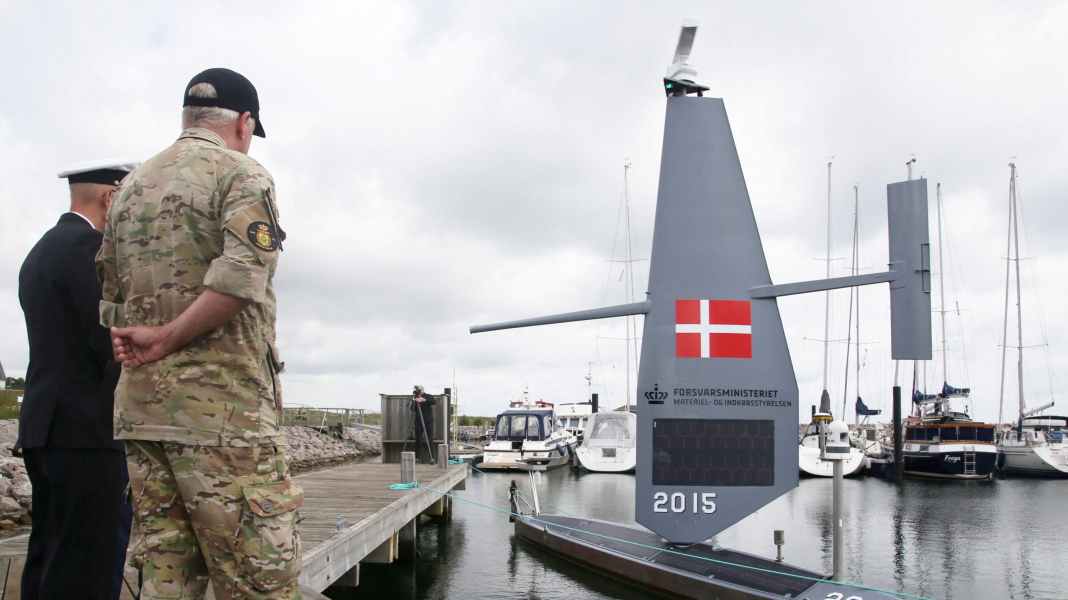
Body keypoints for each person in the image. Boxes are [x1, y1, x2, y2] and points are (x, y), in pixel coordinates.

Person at [96, 68, 302, 599]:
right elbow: (241, 277)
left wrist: (131, 336)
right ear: (245, 122)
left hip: (144, 414)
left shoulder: (129, 188)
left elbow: (110, 293)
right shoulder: (241, 174)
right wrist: (166, 337)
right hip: (225, 415)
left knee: (167, 580)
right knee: (259, 582)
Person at [17, 160, 137, 600]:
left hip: (45, 427)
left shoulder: (42, 250)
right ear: (111, 197)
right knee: (90, 563)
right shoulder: (91, 251)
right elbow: (109, 342)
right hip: (88, 432)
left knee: (48, 554)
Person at [411, 385, 436, 463]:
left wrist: (423, 400)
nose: (417, 391)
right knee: (418, 439)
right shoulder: (415, 397)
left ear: (422, 390)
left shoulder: (428, 396)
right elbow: (412, 409)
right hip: (418, 421)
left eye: (418, 390)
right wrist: (415, 401)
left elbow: (434, 402)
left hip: (428, 421)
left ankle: (432, 458)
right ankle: (417, 458)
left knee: (429, 439)